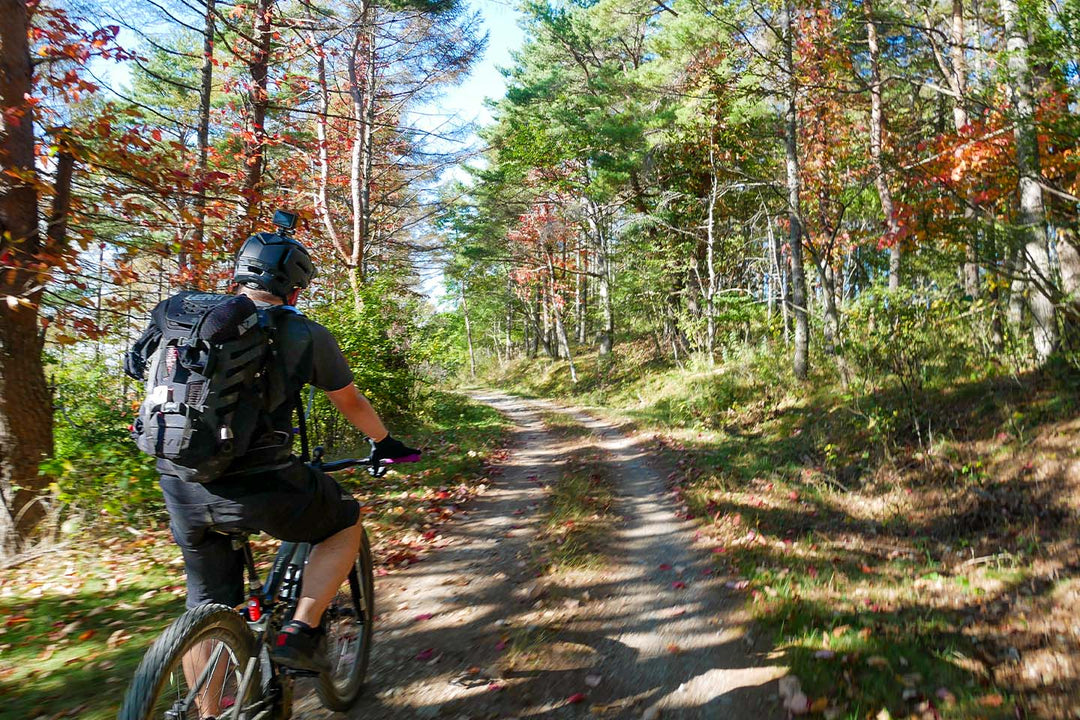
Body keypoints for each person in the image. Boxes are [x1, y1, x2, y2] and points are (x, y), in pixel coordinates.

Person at [125, 229, 419, 679]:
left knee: (205, 605)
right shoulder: (301, 331)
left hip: (180, 483)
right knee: (343, 520)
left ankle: (208, 710)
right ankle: (299, 632)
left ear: (237, 275)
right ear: (295, 289)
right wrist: (384, 443)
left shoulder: (191, 325)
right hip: (262, 485)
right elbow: (352, 403)